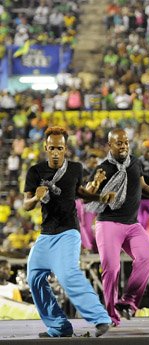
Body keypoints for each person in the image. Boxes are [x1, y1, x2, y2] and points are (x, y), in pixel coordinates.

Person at [23, 126, 112, 337]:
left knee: (67, 273)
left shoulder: (75, 169)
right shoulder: (35, 171)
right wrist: (36, 197)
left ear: (65, 148)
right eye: (51, 148)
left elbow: (80, 193)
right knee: (34, 277)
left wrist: (99, 196)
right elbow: (27, 205)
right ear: (45, 147)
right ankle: (59, 327)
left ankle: (100, 318)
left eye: (59, 148)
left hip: (67, 233)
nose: (55, 152)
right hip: (46, 235)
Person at [85, 128, 149, 327]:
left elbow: (141, 185)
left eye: (125, 142)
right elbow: (87, 193)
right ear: (110, 145)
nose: (123, 146)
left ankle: (128, 301)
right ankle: (109, 316)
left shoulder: (135, 162)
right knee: (111, 268)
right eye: (119, 143)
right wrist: (96, 183)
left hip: (132, 225)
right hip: (108, 223)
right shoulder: (103, 167)